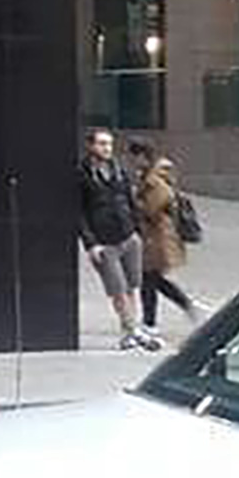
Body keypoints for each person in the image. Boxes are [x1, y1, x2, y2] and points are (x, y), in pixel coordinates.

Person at [78, 127, 159, 351]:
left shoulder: (119, 169)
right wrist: (90, 244)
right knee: (117, 289)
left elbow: (130, 201)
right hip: (104, 242)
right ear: (91, 146)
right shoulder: (82, 173)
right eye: (102, 144)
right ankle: (134, 331)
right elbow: (79, 213)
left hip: (128, 236)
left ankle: (128, 332)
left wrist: (137, 232)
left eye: (109, 144)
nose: (107, 148)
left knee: (132, 286)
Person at [137, 157, 199, 333]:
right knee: (151, 279)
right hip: (159, 238)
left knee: (149, 279)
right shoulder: (162, 180)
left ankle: (151, 322)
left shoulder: (156, 184)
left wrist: (138, 205)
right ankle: (181, 305)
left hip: (158, 239)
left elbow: (151, 210)